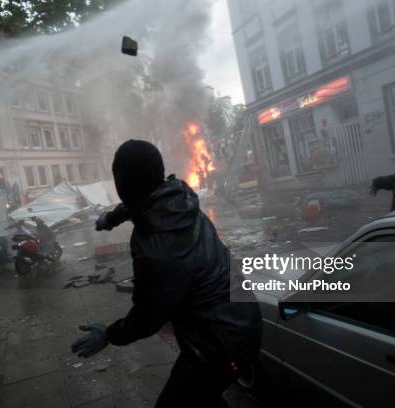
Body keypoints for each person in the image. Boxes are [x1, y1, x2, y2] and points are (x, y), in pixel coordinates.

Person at [71, 140, 262, 407]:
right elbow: (140, 201)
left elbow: (147, 318)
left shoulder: (156, 252)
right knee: (206, 396)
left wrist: (108, 335)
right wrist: (111, 219)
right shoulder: (179, 196)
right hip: (245, 318)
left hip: (218, 347)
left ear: (121, 185)